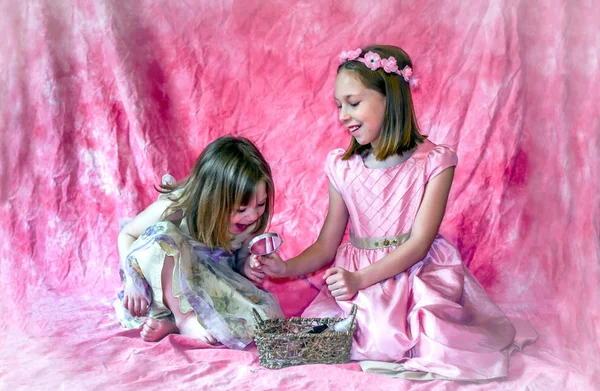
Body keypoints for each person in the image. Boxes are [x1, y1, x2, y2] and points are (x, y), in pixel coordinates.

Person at [251, 45, 536, 380]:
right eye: (339, 105)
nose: (343, 114)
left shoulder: (434, 161)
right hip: (362, 280)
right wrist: (284, 267)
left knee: (435, 340)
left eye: (353, 103)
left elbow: (418, 244)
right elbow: (326, 247)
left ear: (390, 98)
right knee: (341, 337)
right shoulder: (343, 167)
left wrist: (359, 279)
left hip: (415, 274)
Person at [114, 135, 283, 350]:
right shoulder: (176, 207)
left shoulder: (248, 223)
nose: (252, 216)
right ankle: (182, 318)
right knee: (163, 234)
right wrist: (132, 280)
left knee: (265, 316)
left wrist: (247, 266)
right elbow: (127, 235)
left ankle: (172, 324)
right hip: (164, 285)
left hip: (203, 285)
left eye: (260, 204)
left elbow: (239, 261)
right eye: (241, 209)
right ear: (212, 198)